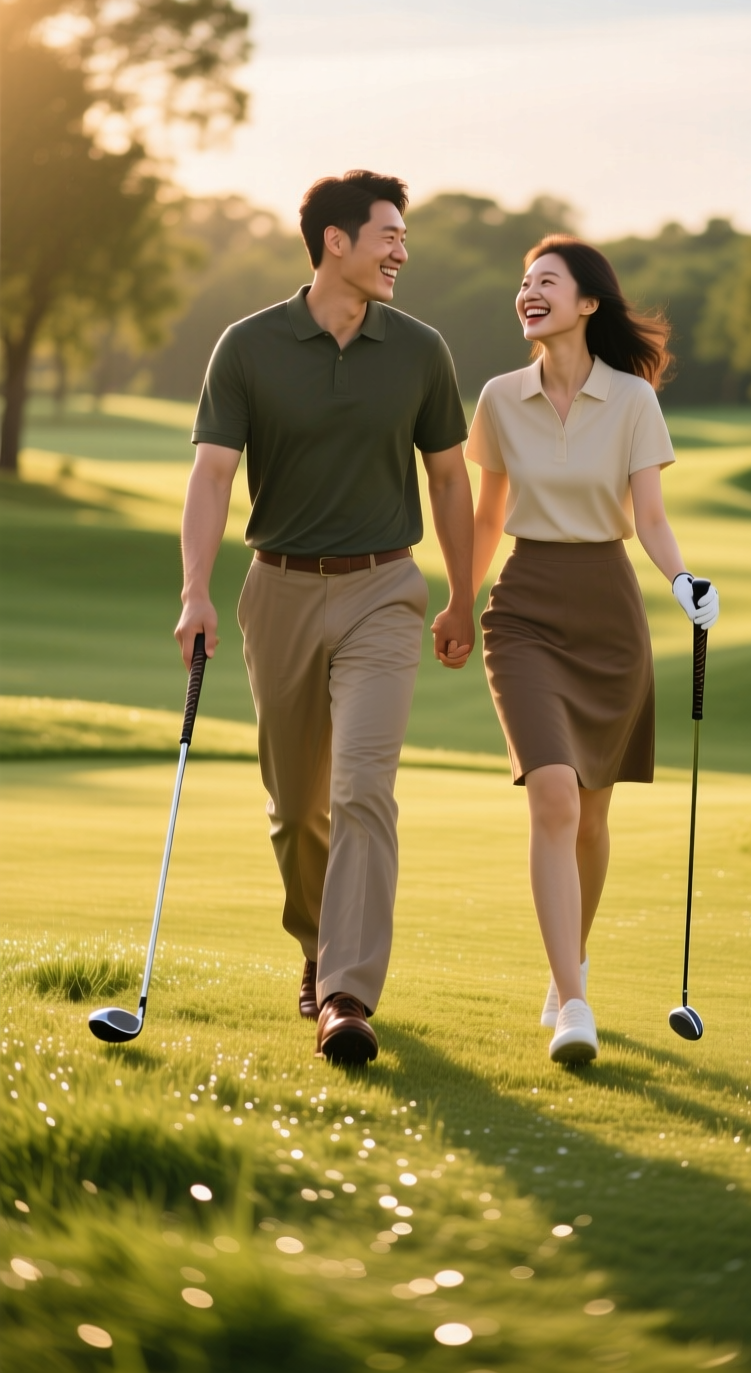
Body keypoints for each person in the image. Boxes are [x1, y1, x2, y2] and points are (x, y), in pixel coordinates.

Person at [174, 170, 475, 1065]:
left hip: (386, 588)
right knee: (297, 807)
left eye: (403, 235)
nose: (402, 251)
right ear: (334, 241)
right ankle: (315, 950)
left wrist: (462, 592)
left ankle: (346, 993)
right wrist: (194, 591)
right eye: (388, 234)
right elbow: (213, 476)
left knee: (361, 791)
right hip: (280, 590)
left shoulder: (420, 349)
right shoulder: (249, 345)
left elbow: (451, 478)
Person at [466, 236, 719, 1065]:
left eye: (546, 282)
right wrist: (459, 604)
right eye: (523, 281)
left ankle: (567, 963)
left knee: (593, 813)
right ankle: (575, 1005)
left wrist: (684, 582)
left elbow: (649, 518)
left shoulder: (634, 401)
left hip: (610, 611)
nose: (528, 293)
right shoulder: (501, 398)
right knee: (553, 795)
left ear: (586, 305)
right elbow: (489, 515)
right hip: (525, 607)